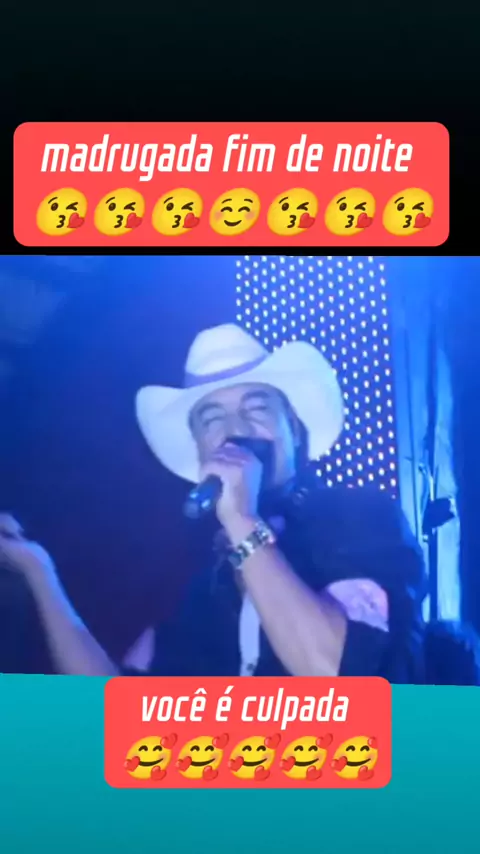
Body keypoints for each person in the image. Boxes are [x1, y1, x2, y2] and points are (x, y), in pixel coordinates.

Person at [0, 324, 427, 680]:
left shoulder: (358, 518)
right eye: (213, 419)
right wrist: (40, 573)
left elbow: (336, 680)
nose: (235, 428)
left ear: (294, 430)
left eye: (256, 408)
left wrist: (242, 520)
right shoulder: (203, 587)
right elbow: (112, 713)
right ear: (202, 451)